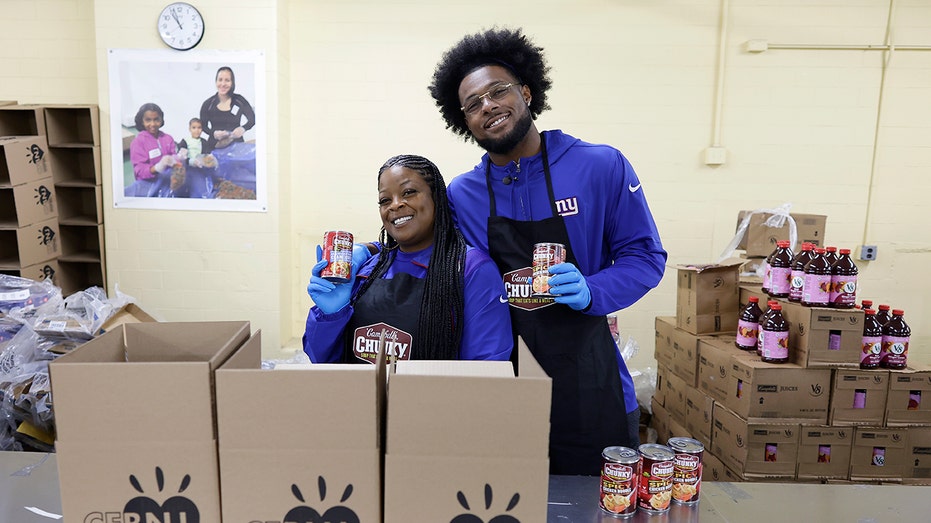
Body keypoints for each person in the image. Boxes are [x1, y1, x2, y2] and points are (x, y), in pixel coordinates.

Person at [427, 27, 667, 475]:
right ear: (464, 121)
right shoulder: (463, 194)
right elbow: (443, 275)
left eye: (497, 91)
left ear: (526, 91)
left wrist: (592, 290)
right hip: (503, 386)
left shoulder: (599, 166)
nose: (487, 107)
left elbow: (645, 257)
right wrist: (373, 263)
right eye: (473, 104)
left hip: (591, 386)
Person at [303, 154, 513, 364]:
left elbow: (486, 370)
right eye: (385, 200)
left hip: (435, 396)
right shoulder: (366, 270)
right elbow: (320, 360)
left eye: (409, 192)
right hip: (362, 396)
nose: (395, 205)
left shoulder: (471, 269)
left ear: (436, 198)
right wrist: (329, 316)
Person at [128, 103, 183, 195]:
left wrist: (179, 159)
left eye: (156, 119)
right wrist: (157, 167)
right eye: (148, 120)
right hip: (148, 185)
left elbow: (174, 159)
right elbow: (139, 171)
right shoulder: (138, 143)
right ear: (142, 121)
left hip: (168, 182)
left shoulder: (168, 138)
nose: (153, 124)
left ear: (161, 120)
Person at [199, 66, 255, 153]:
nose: (223, 84)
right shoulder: (208, 104)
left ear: (232, 82)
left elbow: (252, 119)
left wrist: (243, 128)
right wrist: (214, 133)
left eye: (227, 80)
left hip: (237, 148)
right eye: (220, 80)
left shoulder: (239, 101)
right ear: (216, 81)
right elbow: (203, 126)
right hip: (214, 148)